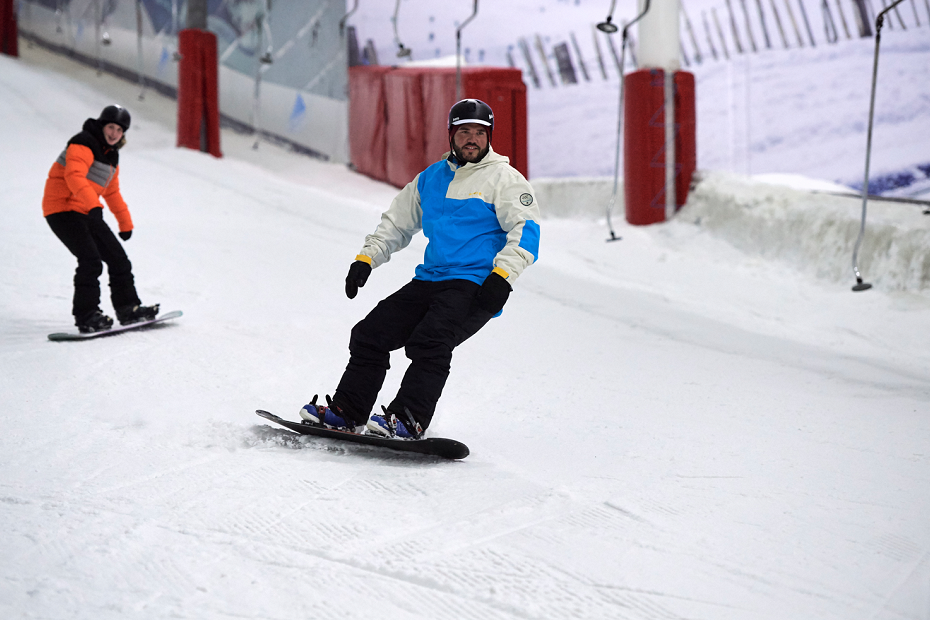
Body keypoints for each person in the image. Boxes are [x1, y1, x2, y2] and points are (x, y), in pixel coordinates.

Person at [300, 98, 541, 439]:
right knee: (369, 334)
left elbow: (527, 232)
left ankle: (407, 420)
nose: (471, 139)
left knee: (430, 342)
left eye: (479, 132)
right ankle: (347, 412)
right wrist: (366, 258)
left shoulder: (504, 180)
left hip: (473, 284)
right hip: (430, 280)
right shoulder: (431, 178)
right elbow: (397, 223)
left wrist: (502, 277)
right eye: (463, 132)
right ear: (450, 135)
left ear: (489, 136)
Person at [42, 104, 159, 333]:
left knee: (118, 259)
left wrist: (125, 223)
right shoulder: (83, 142)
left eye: (120, 130)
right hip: (61, 209)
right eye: (111, 127)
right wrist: (94, 206)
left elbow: (112, 192)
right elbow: (74, 175)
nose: (114, 133)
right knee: (90, 260)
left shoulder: (110, 155)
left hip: (86, 209)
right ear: (102, 125)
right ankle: (87, 315)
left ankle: (128, 309)